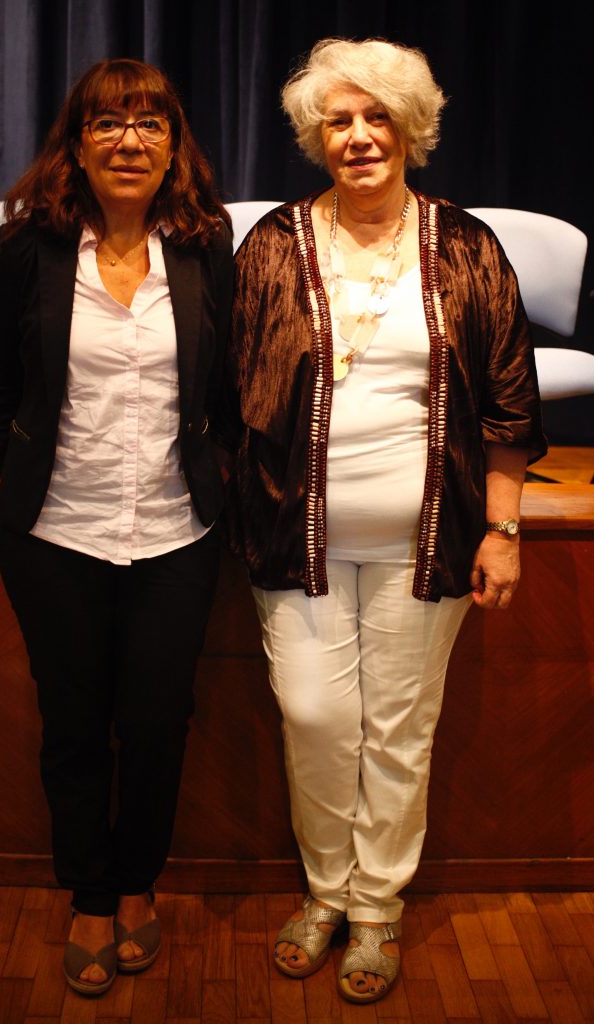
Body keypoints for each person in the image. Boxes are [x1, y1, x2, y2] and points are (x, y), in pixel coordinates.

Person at [226, 38, 545, 1005]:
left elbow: (509, 400)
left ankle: (373, 908)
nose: (359, 137)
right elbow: (227, 390)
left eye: (377, 118)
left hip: (430, 541)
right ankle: (325, 889)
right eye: (339, 121)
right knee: (316, 716)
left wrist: (503, 530)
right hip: (293, 535)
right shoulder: (272, 244)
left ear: (410, 129)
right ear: (316, 137)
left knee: (400, 728)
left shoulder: (467, 246)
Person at [0, 58, 233, 996]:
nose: (130, 141)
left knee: (159, 723)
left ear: (174, 147)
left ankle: (137, 884)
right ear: (77, 145)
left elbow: (227, 384)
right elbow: (1, 386)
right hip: (56, 533)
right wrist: (27, 472)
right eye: (108, 123)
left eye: (151, 123)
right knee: (74, 722)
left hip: (175, 533)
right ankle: (89, 893)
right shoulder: (28, 248)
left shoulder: (205, 247)